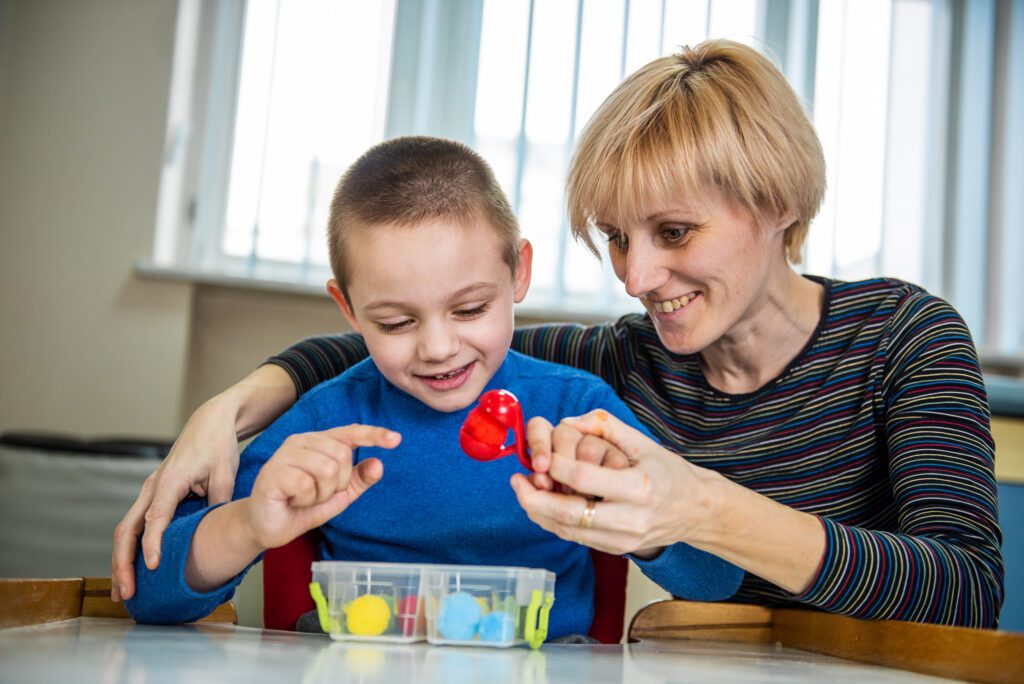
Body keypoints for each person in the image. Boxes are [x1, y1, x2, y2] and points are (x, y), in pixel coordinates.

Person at [114, 40, 1003, 627]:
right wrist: (228, 411)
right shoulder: (622, 359)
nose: (636, 278)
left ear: (778, 202)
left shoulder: (903, 336)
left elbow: (965, 593)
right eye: (617, 238)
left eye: (674, 233)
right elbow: (381, 359)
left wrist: (704, 508)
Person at [123, 136, 741, 634]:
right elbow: (147, 596)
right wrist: (250, 524)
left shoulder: (576, 410)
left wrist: (636, 508)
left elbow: (715, 579)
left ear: (518, 272)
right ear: (348, 308)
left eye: (470, 309)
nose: (439, 347)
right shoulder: (327, 419)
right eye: (395, 322)